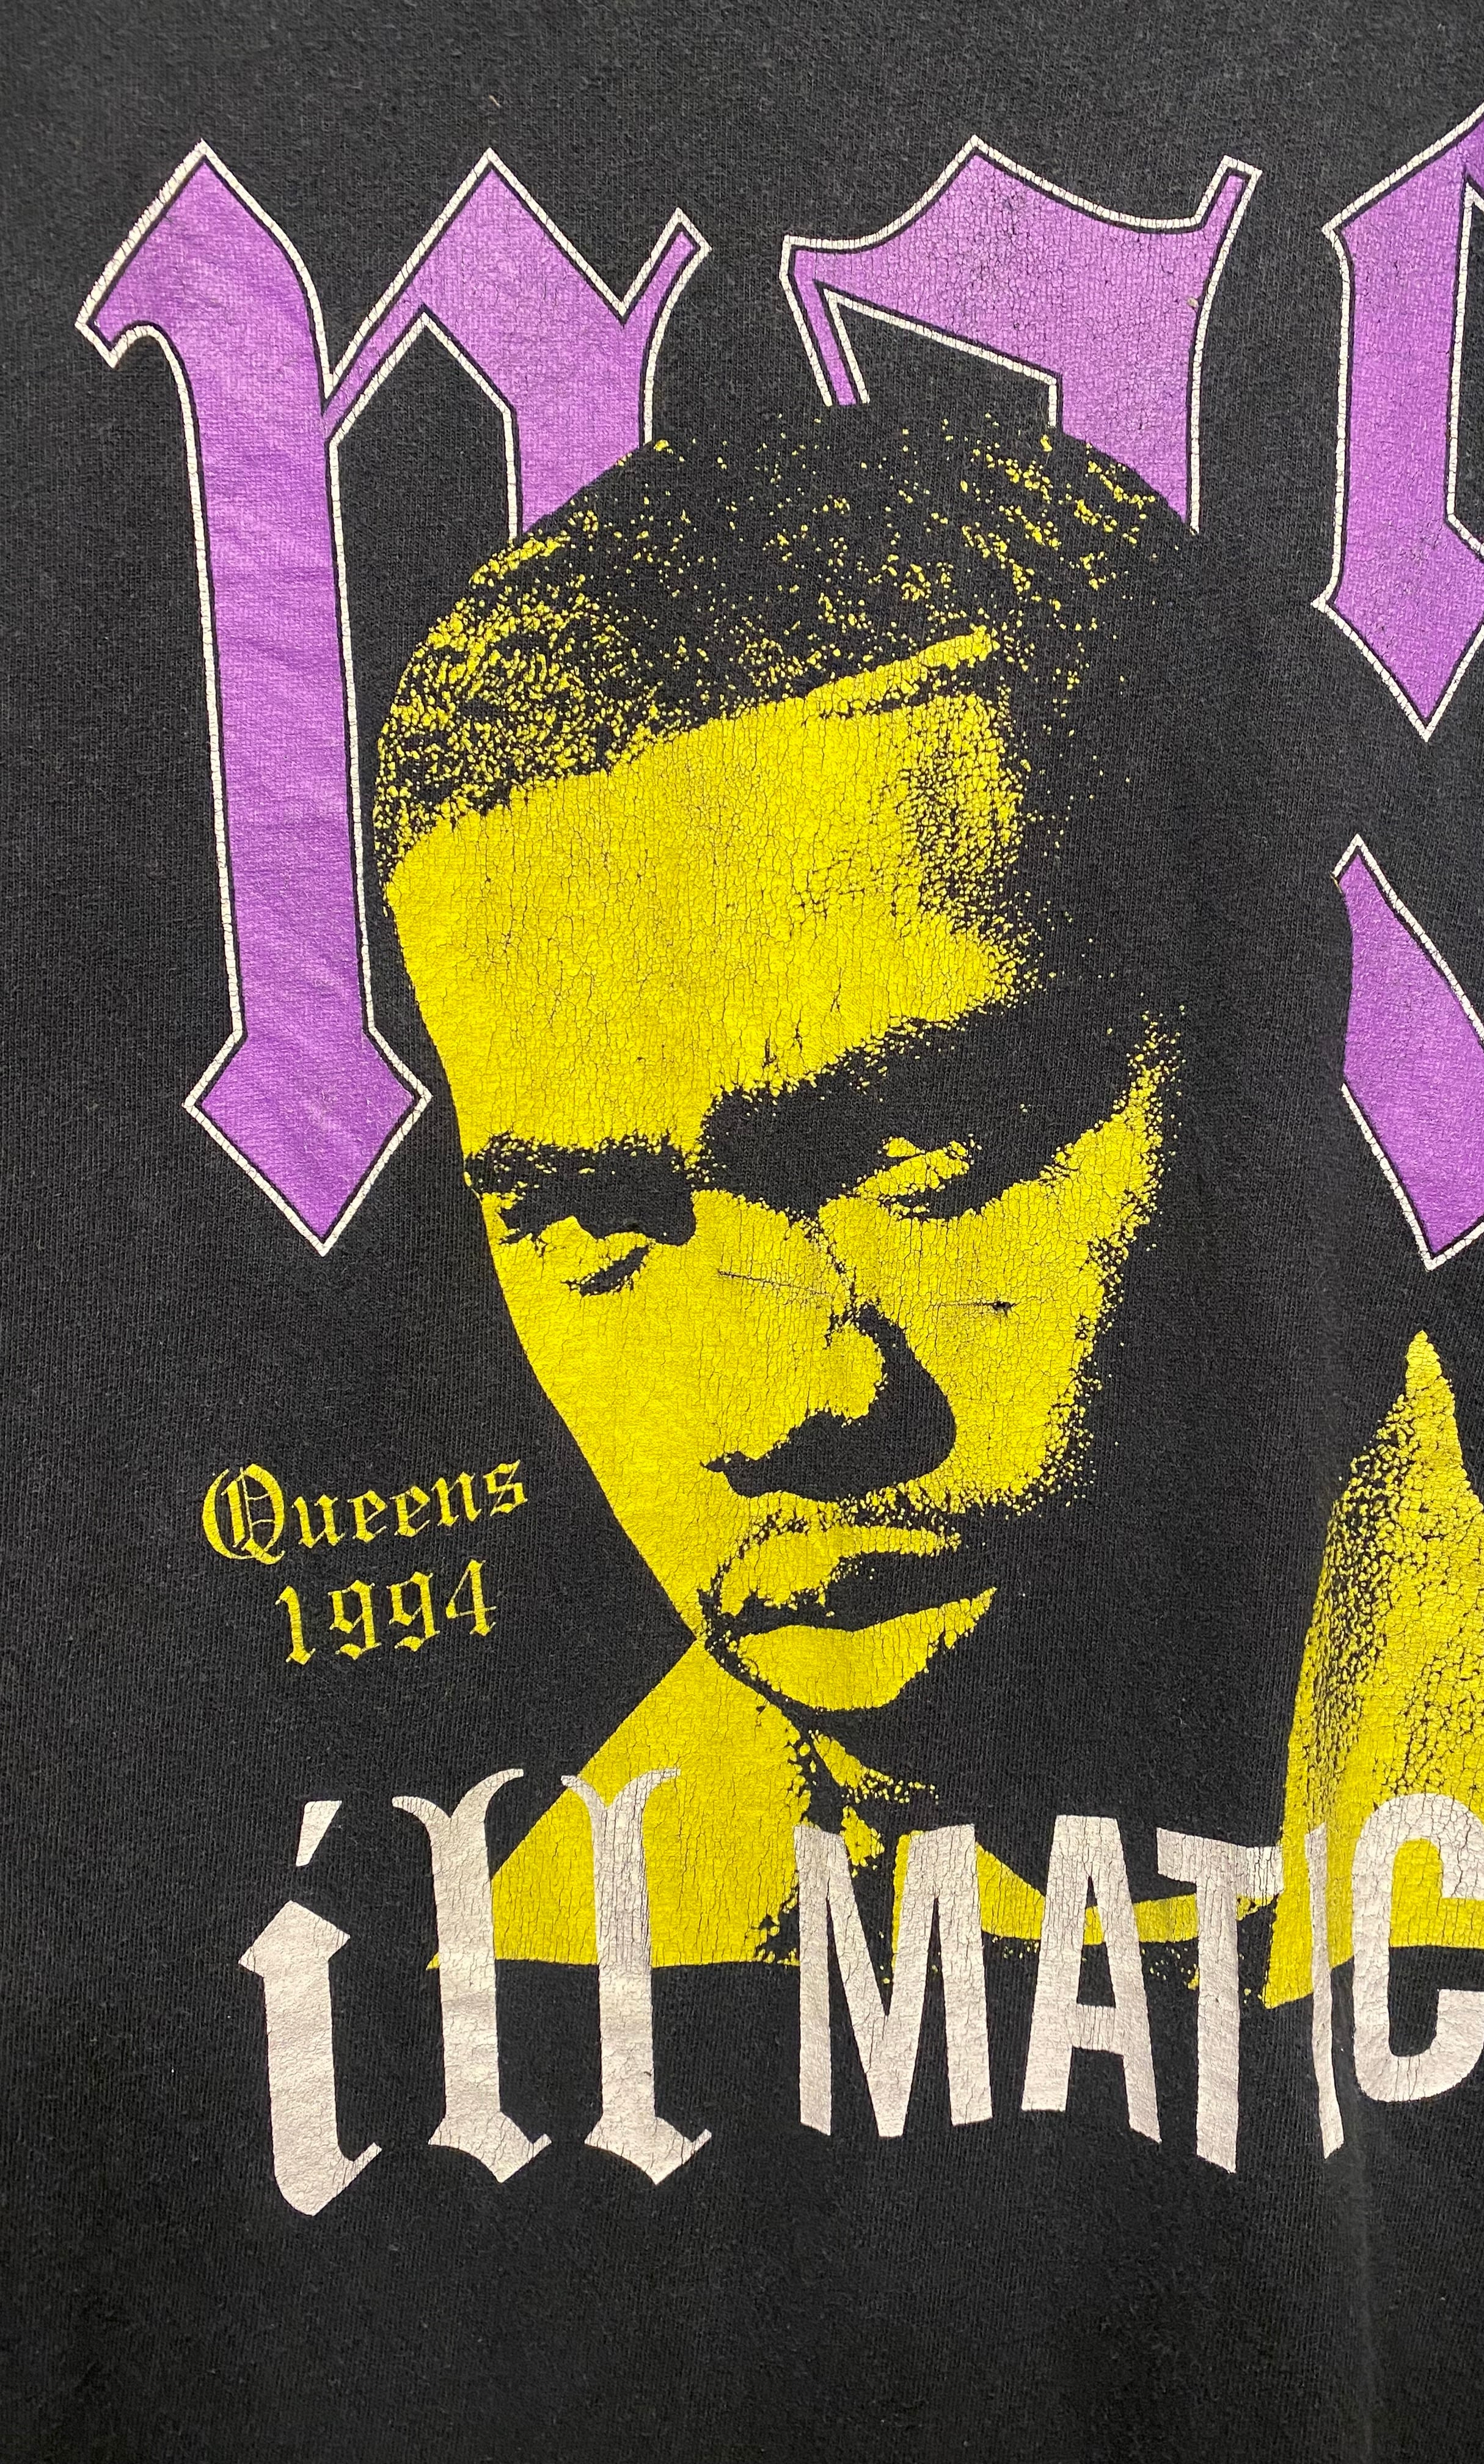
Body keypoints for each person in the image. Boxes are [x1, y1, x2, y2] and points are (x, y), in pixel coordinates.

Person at [375, 411, 1220, 1967]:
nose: (787, 1410)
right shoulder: (534, 1982)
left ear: (1278, 1015)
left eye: (920, 1151)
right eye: (589, 1224)